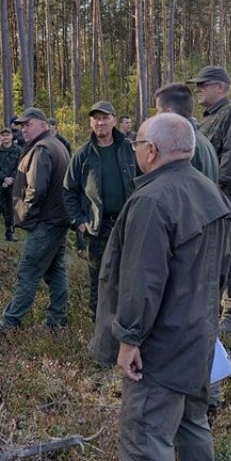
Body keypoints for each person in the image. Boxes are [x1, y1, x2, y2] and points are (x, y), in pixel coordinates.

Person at [90, 112, 231, 461]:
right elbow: (222, 274)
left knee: (145, 436)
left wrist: (129, 339)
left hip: (162, 344)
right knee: (192, 423)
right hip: (199, 336)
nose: (135, 153)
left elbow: (141, 280)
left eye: (137, 146)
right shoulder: (208, 190)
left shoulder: (153, 199)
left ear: (151, 150)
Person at [0, 108, 71, 335]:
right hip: (57, 220)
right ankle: (57, 320)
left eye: (27, 125)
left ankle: (9, 325)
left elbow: (36, 190)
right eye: (21, 126)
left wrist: (26, 214)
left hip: (46, 222)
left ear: (42, 124)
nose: (23, 130)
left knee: (27, 272)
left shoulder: (42, 149)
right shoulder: (56, 144)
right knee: (54, 270)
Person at [187, 66, 231, 335]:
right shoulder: (208, 118)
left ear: (221, 88)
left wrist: (212, 188)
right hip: (209, 200)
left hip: (225, 199)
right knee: (216, 257)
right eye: (197, 84)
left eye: (204, 84)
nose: (198, 89)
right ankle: (222, 313)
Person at [62, 101, 136, 320]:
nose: (100, 122)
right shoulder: (83, 155)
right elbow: (68, 190)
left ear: (114, 120)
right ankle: (100, 322)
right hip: (97, 227)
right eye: (96, 118)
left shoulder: (129, 148)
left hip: (129, 223)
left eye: (105, 117)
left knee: (131, 273)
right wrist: (79, 221)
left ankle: (128, 320)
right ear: (90, 123)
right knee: (100, 276)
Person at [154, 82, 219, 183]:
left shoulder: (183, 147)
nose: (156, 115)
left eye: (158, 110)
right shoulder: (203, 141)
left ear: (169, 112)